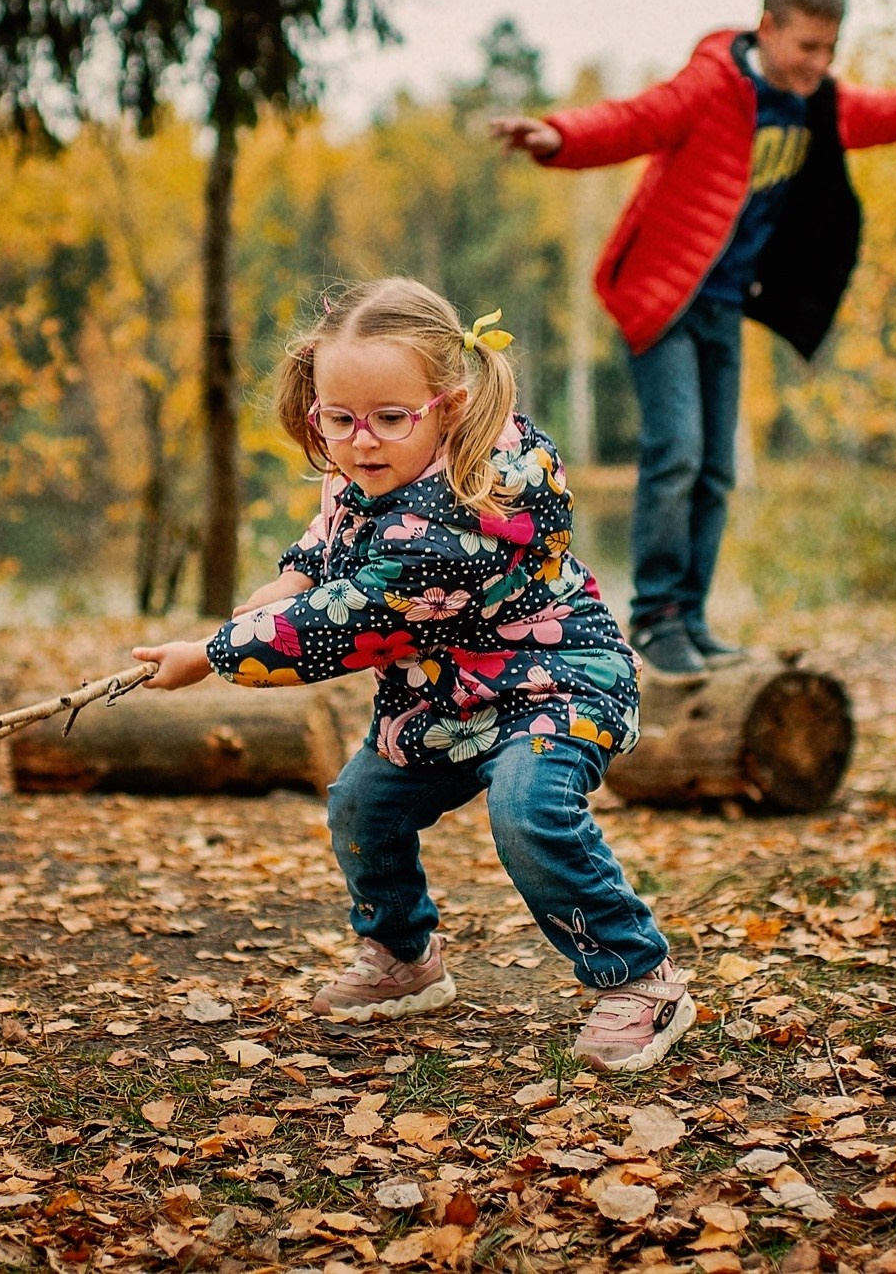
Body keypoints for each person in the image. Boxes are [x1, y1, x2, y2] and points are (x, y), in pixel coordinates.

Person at [130, 278, 696, 1073]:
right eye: (339, 420)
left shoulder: (471, 506)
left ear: (450, 407)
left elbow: (348, 620)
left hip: (552, 684)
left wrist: (217, 656)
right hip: (439, 699)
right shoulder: (364, 476)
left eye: (390, 419)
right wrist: (252, 609)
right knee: (363, 805)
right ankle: (404, 957)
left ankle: (641, 978)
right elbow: (318, 559)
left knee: (527, 810)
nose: (362, 442)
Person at [492, 0, 896, 676]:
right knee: (679, 454)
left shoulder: (815, 102)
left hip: (725, 304)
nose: (818, 64)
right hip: (662, 298)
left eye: (829, 50)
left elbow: (884, 113)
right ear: (769, 28)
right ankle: (657, 616)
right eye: (806, 47)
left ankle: (691, 616)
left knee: (718, 469)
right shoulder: (713, 85)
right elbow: (635, 120)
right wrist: (558, 137)